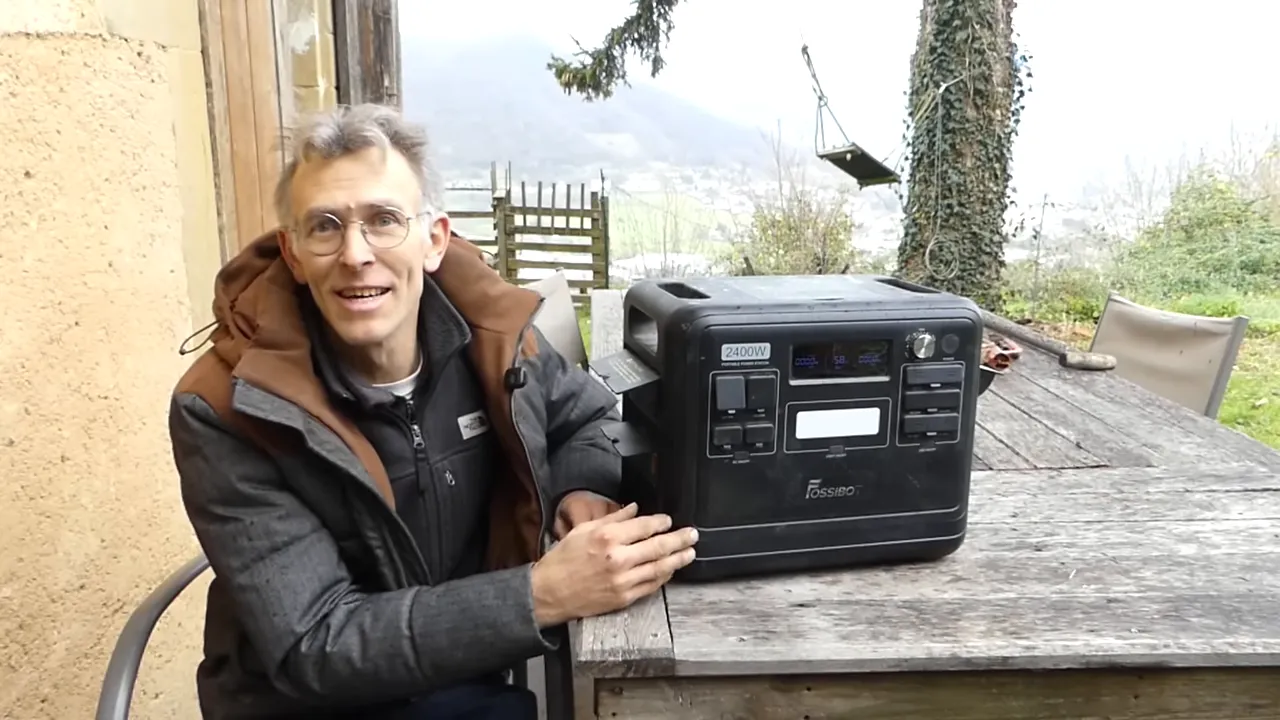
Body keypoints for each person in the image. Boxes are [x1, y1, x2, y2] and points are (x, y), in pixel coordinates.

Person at [168, 103, 699, 720]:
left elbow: (587, 418)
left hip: (466, 681)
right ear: (292, 253)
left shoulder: (496, 340)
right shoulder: (227, 408)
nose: (355, 253)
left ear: (434, 240)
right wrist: (541, 595)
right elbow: (316, 644)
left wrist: (583, 486)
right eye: (325, 226)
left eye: (384, 220)